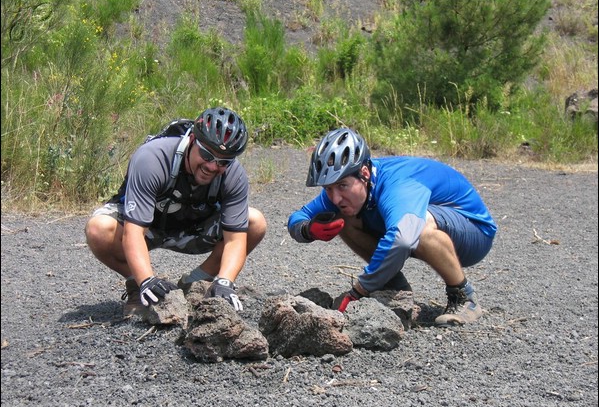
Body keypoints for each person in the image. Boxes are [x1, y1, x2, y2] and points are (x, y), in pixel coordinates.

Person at [287, 128, 497, 326]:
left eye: (342, 186)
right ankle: (393, 288)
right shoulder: (345, 187)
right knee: (344, 215)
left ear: (365, 173)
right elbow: (297, 217)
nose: (335, 196)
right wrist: (307, 229)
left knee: (416, 226)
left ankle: (463, 297)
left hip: (474, 232)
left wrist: (359, 291)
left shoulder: (397, 185)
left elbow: (403, 239)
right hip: (422, 228)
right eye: (328, 188)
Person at [85, 107, 267, 313]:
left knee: (254, 222)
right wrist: (146, 280)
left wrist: (225, 282)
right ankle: (137, 285)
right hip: (146, 227)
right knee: (98, 229)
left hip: (193, 230)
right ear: (191, 141)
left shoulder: (234, 175)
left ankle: (195, 284)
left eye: (223, 162)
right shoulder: (153, 158)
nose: (212, 166)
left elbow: (235, 240)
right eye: (207, 155)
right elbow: (134, 233)